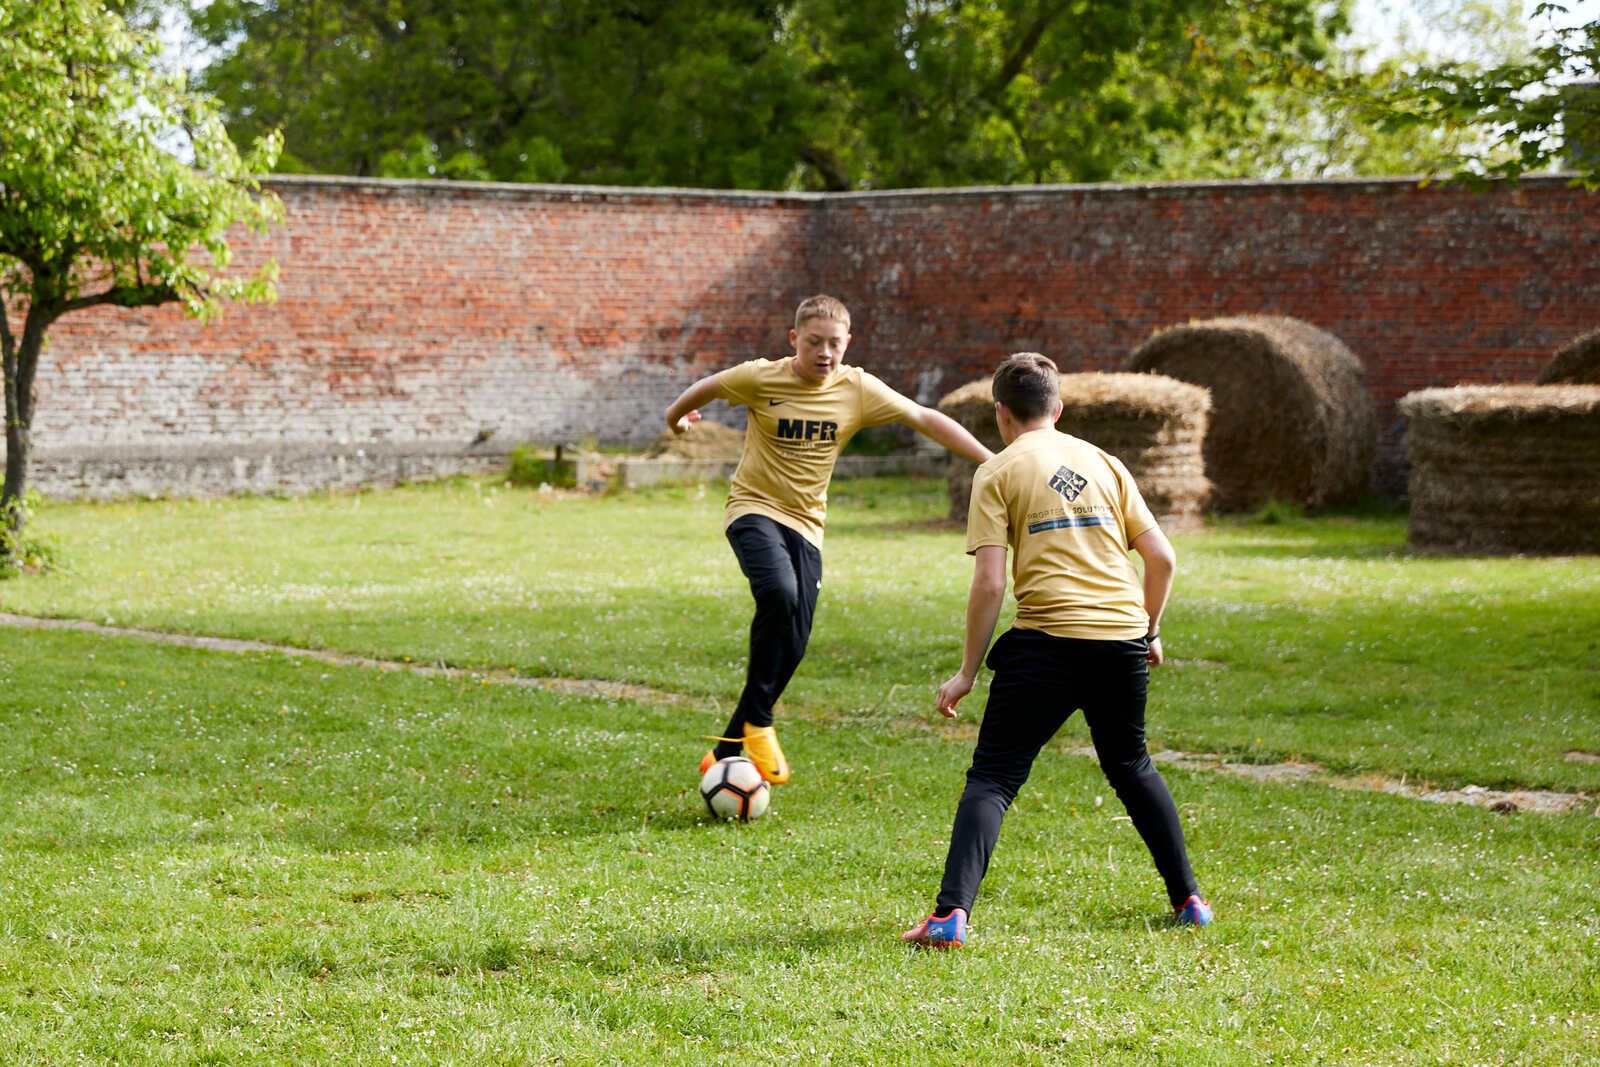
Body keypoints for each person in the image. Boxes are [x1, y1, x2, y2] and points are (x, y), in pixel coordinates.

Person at [900, 352, 1211, 949]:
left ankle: (949, 917)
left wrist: (967, 672)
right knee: (1131, 766)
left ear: (1000, 413)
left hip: (1047, 642)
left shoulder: (997, 471)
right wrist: (1147, 631)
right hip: (1120, 641)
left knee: (994, 778)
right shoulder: (1106, 462)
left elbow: (991, 583)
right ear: (1058, 408)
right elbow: (1162, 558)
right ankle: (1189, 901)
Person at [664, 294, 993, 785]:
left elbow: (924, 418)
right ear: (794, 339)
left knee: (795, 640)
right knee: (779, 594)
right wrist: (676, 419)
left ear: (848, 342)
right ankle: (760, 722)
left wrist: (992, 461)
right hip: (753, 509)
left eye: (834, 344)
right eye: (814, 342)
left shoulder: (856, 388)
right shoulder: (761, 377)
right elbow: (706, 387)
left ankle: (730, 744)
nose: (824, 353)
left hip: (807, 525)